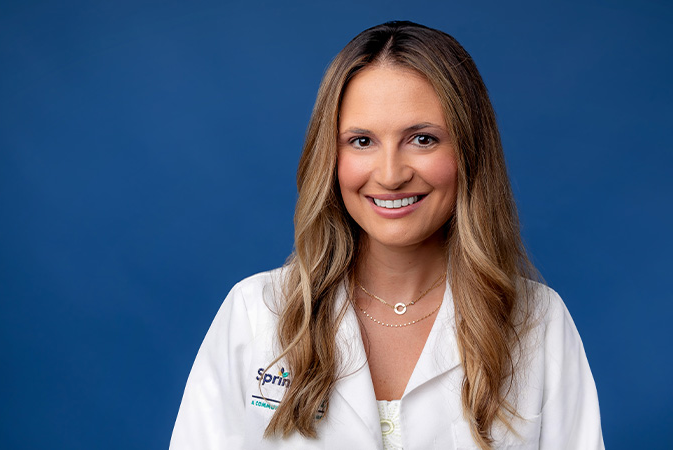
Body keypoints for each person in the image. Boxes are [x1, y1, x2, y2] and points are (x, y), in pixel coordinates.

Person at [170, 21, 604, 450]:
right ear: (330, 156)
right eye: (362, 141)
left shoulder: (538, 322)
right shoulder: (254, 314)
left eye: (422, 138)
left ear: (469, 152)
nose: (391, 175)